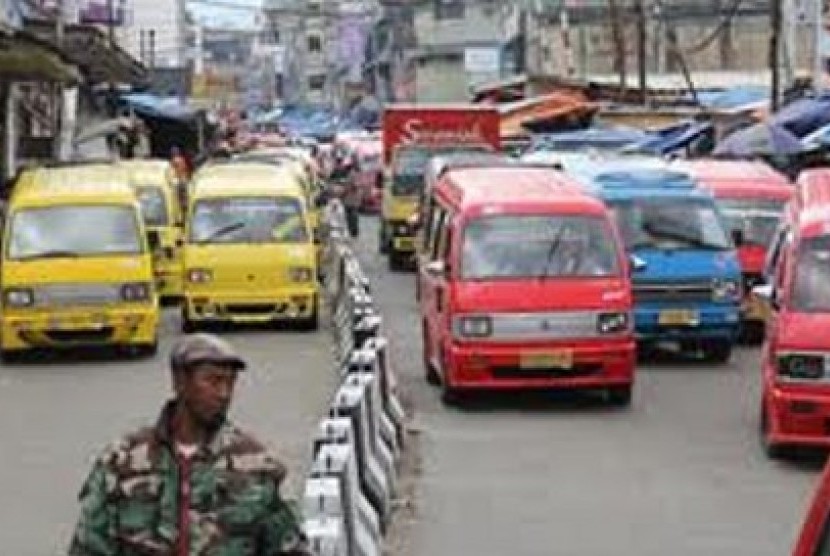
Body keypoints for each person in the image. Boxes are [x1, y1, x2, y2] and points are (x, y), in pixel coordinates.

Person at [68, 333, 311, 556]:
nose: (224, 393)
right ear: (180, 382)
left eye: (230, 383)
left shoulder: (259, 467)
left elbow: (290, 548)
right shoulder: (123, 462)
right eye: (213, 381)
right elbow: (89, 546)